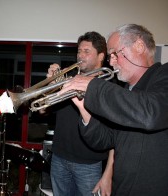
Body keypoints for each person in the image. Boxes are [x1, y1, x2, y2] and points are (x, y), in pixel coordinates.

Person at [59, 24, 168, 195]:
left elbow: (151, 114)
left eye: (115, 54)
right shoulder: (126, 92)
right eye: (110, 56)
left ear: (139, 46)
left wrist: (92, 85)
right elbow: (105, 140)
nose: (111, 62)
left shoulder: (164, 75)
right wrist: (83, 108)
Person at [41, 31, 114, 196]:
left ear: (101, 56)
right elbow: (42, 109)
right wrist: (52, 85)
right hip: (59, 158)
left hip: (90, 164)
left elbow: (116, 138)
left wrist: (108, 174)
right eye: (79, 51)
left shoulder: (110, 86)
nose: (80, 55)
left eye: (86, 52)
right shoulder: (68, 80)